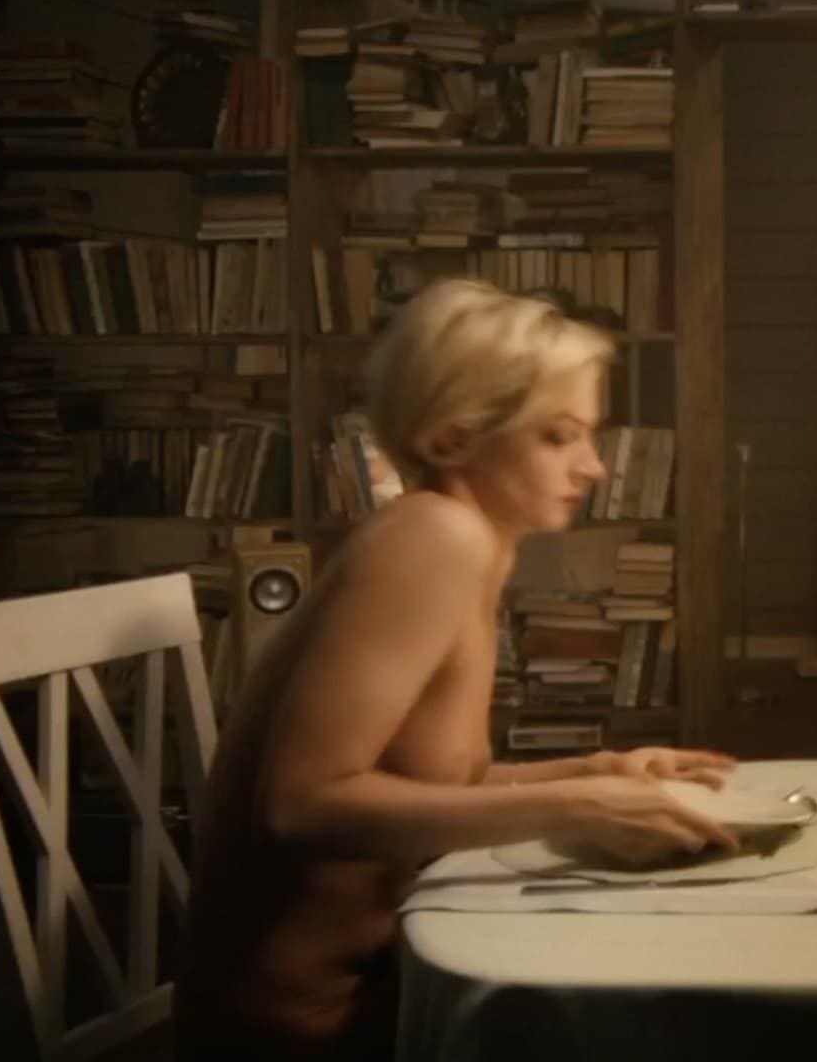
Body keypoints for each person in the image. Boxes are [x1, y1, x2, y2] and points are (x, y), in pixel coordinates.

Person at [174, 279, 739, 1062]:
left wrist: (598, 772)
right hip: (314, 1030)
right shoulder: (434, 537)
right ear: (452, 440)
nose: (594, 467)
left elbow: (432, 787)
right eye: (558, 437)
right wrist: (574, 807)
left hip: (385, 981)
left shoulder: (467, 542)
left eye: (591, 436)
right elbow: (300, 807)